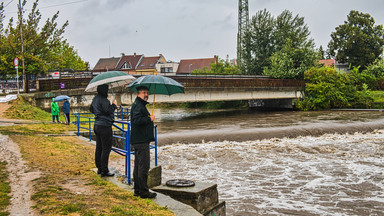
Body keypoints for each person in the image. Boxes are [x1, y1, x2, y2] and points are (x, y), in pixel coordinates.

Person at [130, 86, 157, 199]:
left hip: (138, 140)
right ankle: (144, 192)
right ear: (138, 94)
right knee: (144, 167)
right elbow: (136, 120)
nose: (146, 94)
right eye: (144, 93)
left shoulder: (139, 104)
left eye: (147, 93)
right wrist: (149, 119)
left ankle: (137, 190)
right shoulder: (138, 105)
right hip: (141, 141)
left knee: (138, 166)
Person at [90, 84, 117, 177]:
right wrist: (114, 105)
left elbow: (91, 109)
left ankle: (99, 168)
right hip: (105, 126)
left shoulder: (95, 99)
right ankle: (104, 170)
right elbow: (108, 110)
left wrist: (98, 114)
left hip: (97, 125)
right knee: (106, 149)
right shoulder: (104, 100)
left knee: (99, 147)